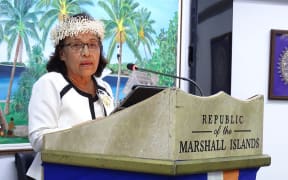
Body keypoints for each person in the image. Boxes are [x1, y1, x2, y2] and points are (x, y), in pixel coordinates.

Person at [27, 12, 114, 180]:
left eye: (92, 44)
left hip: (97, 174)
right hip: (54, 174)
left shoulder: (105, 88)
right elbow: (38, 139)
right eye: (76, 45)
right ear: (62, 53)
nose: (86, 52)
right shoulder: (50, 83)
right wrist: (84, 130)